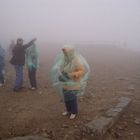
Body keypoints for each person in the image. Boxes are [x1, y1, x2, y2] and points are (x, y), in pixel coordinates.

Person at [51, 45, 90, 119]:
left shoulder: (76, 60)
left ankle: (74, 112)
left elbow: (82, 71)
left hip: (73, 83)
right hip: (65, 82)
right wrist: (59, 71)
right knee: (66, 97)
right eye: (64, 52)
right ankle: (68, 110)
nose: (64, 53)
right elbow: (61, 67)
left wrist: (72, 75)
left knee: (72, 98)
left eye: (65, 52)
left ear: (70, 52)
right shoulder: (64, 59)